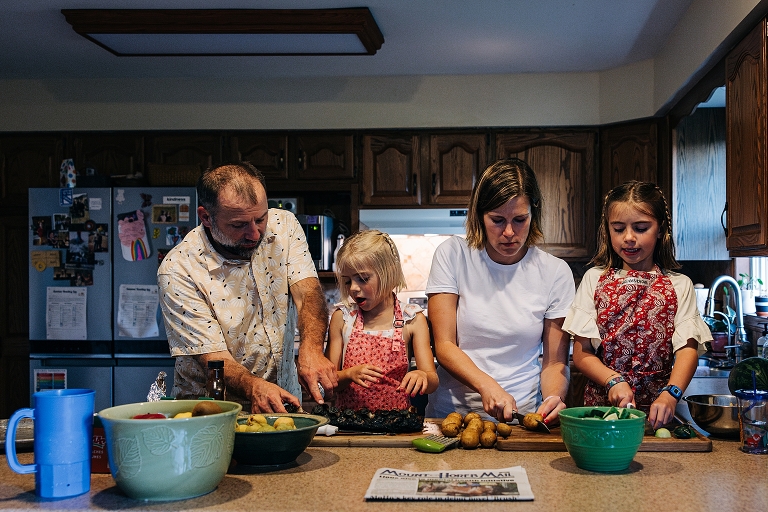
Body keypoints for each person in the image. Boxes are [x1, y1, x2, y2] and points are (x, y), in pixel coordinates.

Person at [158, 162, 337, 413]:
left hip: (283, 398)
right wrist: (256, 387)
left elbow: (307, 293)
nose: (255, 234)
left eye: (260, 219)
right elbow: (214, 357)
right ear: (206, 217)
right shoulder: (179, 269)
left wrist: (311, 350)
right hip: (212, 409)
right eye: (239, 225)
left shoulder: (284, 226)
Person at [425, 158, 575, 424]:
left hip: (520, 416)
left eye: (519, 219)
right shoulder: (453, 255)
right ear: (479, 216)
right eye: (497, 220)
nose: (509, 232)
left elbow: (553, 363)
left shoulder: (555, 272)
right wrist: (487, 385)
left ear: (533, 214)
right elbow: (445, 345)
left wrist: (554, 397)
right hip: (451, 416)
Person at [562, 181, 711, 429]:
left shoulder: (680, 285)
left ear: (661, 229)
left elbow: (687, 351)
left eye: (641, 228)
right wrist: (612, 380)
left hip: (659, 415)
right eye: (618, 229)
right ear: (607, 230)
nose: (629, 238)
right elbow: (582, 353)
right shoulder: (594, 280)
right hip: (602, 413)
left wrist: (671, 394)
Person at [325, 230, 438, 410]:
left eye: (362, 279)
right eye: (347, 281)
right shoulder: (343, 318)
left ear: (390, 273)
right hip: (349, 427)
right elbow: (329, 383)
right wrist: (348, 374)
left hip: (396, 426)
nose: (353, 288)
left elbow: (432, 379)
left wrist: (422, 377)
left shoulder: (412, 320)